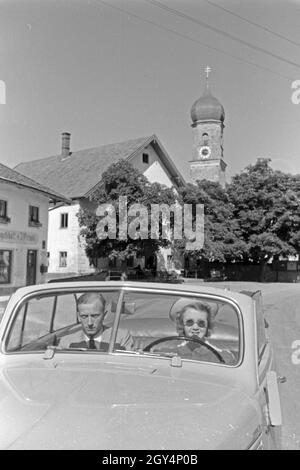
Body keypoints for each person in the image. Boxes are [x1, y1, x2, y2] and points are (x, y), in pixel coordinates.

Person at [59, 292, 134, 351]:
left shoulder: (121, 338)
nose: (90, 323)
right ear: (78, 317)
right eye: (84, 316)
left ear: (104, 315)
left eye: (95, 316)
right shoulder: (67, 342)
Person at [170, 299, 235, 364]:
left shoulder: (223, 357)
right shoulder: (169, 353)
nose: (195, 328)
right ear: (182, 325)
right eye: (189, 322)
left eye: (201, 323)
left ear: (208, 326)